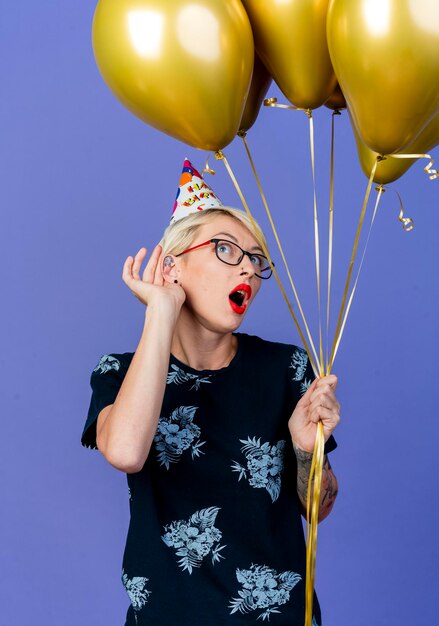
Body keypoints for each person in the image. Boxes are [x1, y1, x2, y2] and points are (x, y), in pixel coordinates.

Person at [81, 160, 340, 625]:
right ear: (171, 264)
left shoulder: (286, 367)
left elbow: (318, 508)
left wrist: (306, 452)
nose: (247, 268)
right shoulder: (117, 373)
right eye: (226, 250)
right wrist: (161, 310)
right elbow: (125, 451)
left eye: (256, 259)